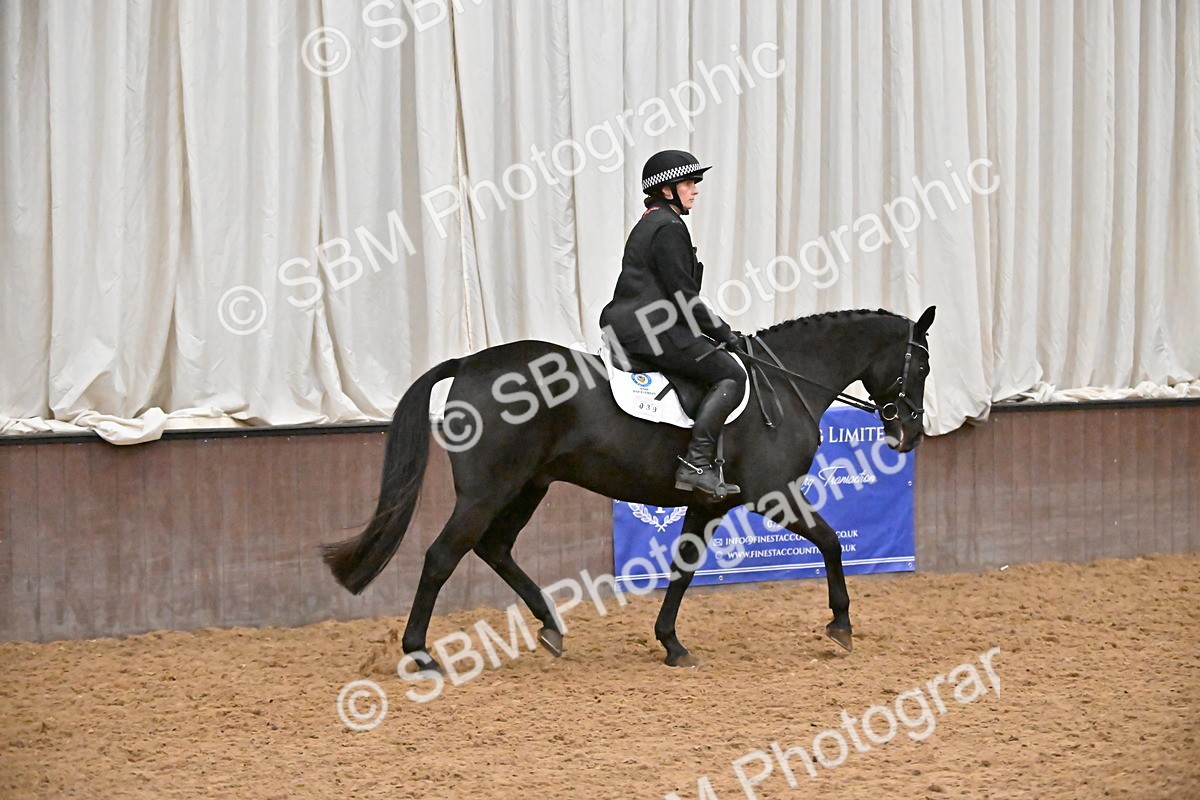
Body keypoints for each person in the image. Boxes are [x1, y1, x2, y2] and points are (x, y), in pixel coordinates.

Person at [599, 150, 747, 500]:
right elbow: (684, 297)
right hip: (652, 330)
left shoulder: (652, 221)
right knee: (731, 375)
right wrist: (725, 334)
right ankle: (697, 464)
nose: (694, 189)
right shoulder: (668, 227)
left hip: (636, 326)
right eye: (687, 183)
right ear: (667, 190)